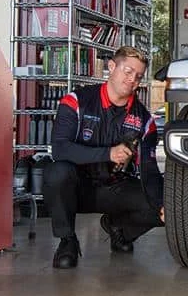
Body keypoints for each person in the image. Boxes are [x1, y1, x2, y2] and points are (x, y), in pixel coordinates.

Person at [43, 46, 164, 269]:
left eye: (138, 76)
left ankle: (121, 231)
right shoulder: (76, 101)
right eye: (127, 71)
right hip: (76, 187)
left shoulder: (145, 120)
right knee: (56, 172)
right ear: (111, 67)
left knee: (170, 203)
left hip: (114, 189)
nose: (132, 80)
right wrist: (108, 153)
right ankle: (67, 241)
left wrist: (161, 204)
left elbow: (150, 169)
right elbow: (60, 149)